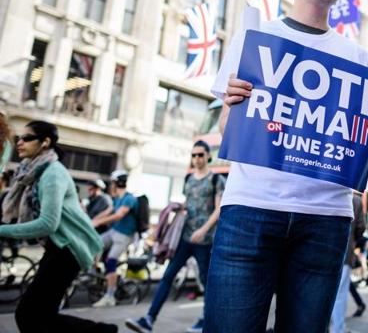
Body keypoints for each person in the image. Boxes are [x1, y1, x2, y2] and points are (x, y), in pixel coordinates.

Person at [206, 0, 368, 333]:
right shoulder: (255, 38)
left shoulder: (357, 57)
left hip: (325, 220)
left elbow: (354, 145)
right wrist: (230, 106)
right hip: (251, 209)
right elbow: (226, 132)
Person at [0, 120, 116, 332]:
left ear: (45, 142)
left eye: (27, 138)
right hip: (58, 248)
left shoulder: (52, 173)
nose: (20, 142)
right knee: (38, 316)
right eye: (19, 138)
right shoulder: (31, 173)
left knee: (28, 314)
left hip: (69, 249)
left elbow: (47, 224)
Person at [126, 140, 225, 333]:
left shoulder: (216, 180)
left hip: (204, 241)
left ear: (208, 156)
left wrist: (203, 230)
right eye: (194, 155)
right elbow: (189, 203)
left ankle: (207, 321)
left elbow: (219, 209)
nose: (196, 159)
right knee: (168, 276)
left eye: (200, 155)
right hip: (184, 238)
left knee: (206, 282)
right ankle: (149, 319)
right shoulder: (189, 179)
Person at [92, 169, 138, 307]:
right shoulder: (117, 198)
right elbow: (108, 211)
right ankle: (96, 273)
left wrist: (99, 222)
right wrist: (91, 221)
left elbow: (118, 215)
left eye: (112, 182)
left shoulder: (129, 199)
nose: (110, 185)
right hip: (113, 232)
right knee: (92, 243)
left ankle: (110, 296)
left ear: (117, 183)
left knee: (111, 261)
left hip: (124, 236)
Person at [330, 193, 366, 333]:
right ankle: (337, 329)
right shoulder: (355, 200)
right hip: (345, 252)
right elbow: (361, 228)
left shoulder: (327, 192)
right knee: (340, 294)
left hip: (320, 251)